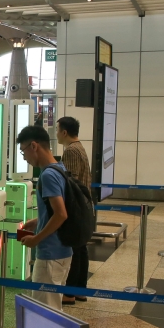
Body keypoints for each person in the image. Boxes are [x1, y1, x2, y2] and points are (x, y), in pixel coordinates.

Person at [18, 126, 72, 311]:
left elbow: (61, 214)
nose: (24, 157)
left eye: (23, 150)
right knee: (53, 307)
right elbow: (55, 211)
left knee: (45, 312)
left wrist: (36, 239)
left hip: (50, 253)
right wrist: (38, 221)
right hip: (63, 249)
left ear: (34, 146)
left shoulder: (47, 175)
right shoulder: (60, 168)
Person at [56, 117, 91, 305]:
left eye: (57, 130)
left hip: (76, 207)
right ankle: (80, 290)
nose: (56, 134)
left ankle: (69, 293)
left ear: (64, 132)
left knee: (74, 250)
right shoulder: (81, 148)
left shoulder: (70, 151)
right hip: (84, 205)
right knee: (81, 249)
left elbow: (71, 182)